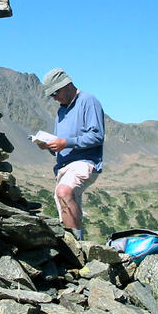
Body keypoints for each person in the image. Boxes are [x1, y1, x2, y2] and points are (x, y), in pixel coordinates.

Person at [39, 68, 105, 240]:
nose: (54, 97)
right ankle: (77, 251)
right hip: (63, 167)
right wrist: (50, 146)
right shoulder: (61, 111)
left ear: (67, 85)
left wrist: (65, 143)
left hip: (84, 162)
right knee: (65, 213)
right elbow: (61, 142)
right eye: (51, 95)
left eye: (55, 92)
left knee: (64, 191)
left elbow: (97, 136)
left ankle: (77, 250)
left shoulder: (88, 101)